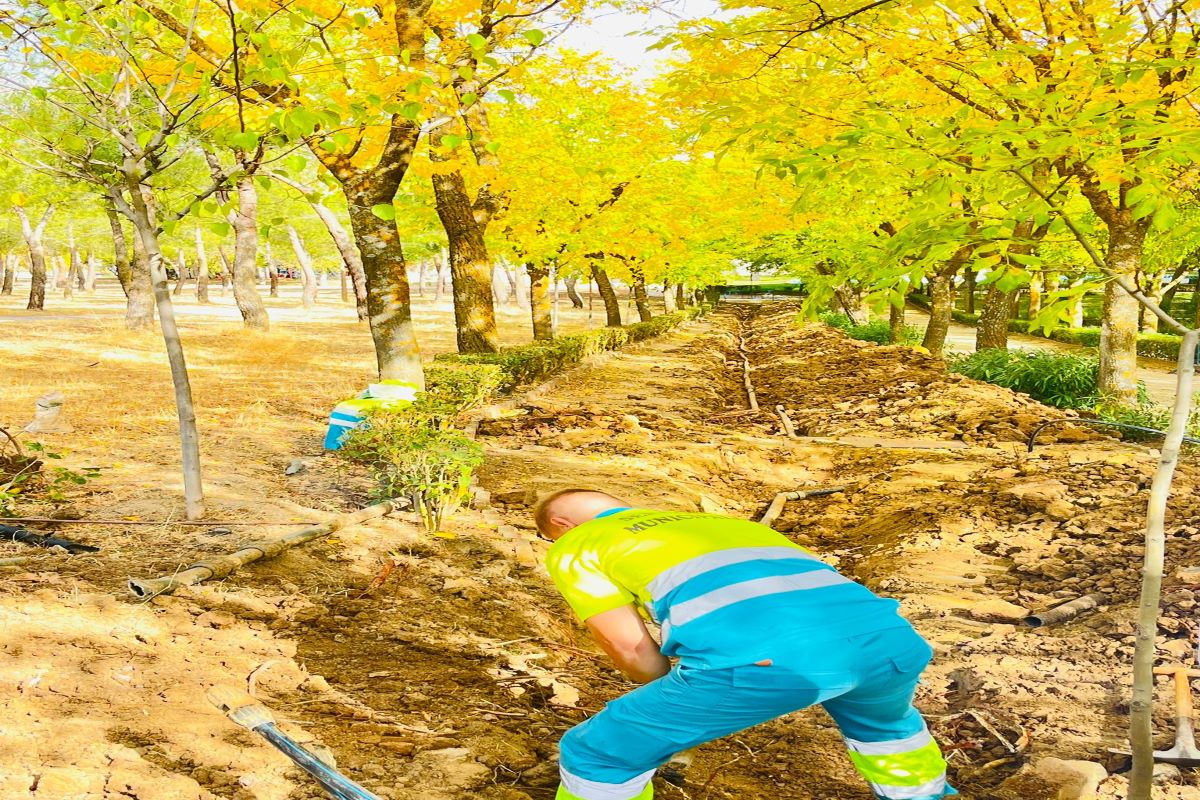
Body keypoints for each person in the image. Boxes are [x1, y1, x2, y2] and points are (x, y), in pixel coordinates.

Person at [535, 488, 956, 800]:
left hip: (770, 662)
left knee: (597, 752)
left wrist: (669, 691)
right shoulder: (728, 524)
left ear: (562, 528)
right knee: (886, 729)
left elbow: (629, 648)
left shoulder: (577, 544)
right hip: (890, 641)